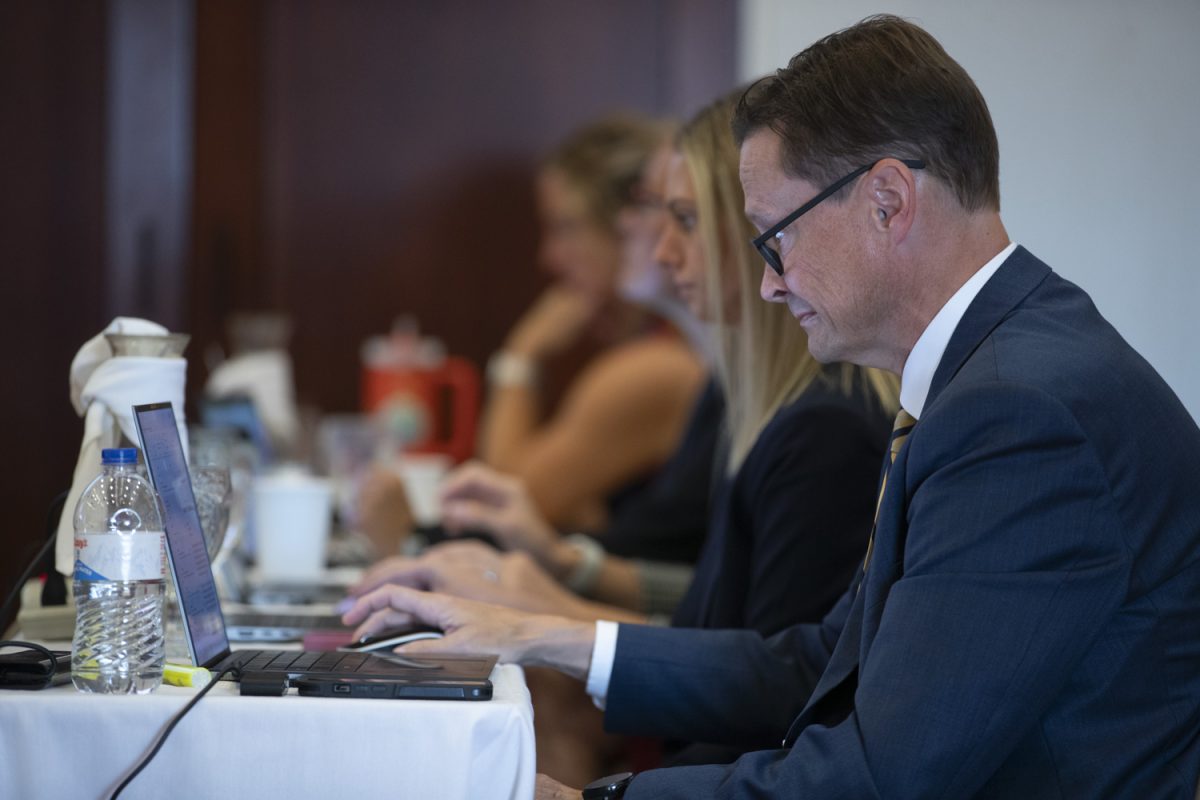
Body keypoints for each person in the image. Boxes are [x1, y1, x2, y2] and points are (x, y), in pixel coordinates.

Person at [346, 15, 1200, 799]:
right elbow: (820, 662)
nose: (767, 280)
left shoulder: (1021, 413)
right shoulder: (1002, 367)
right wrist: (539, 635)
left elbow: (881, 776)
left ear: (888, 201)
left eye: (773, 237)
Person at [478, 115, 705, 531]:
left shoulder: (660, 366)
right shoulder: (659, 346)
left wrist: (519, 356)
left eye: (566, 227)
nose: (549, 256)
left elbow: (503, 500)